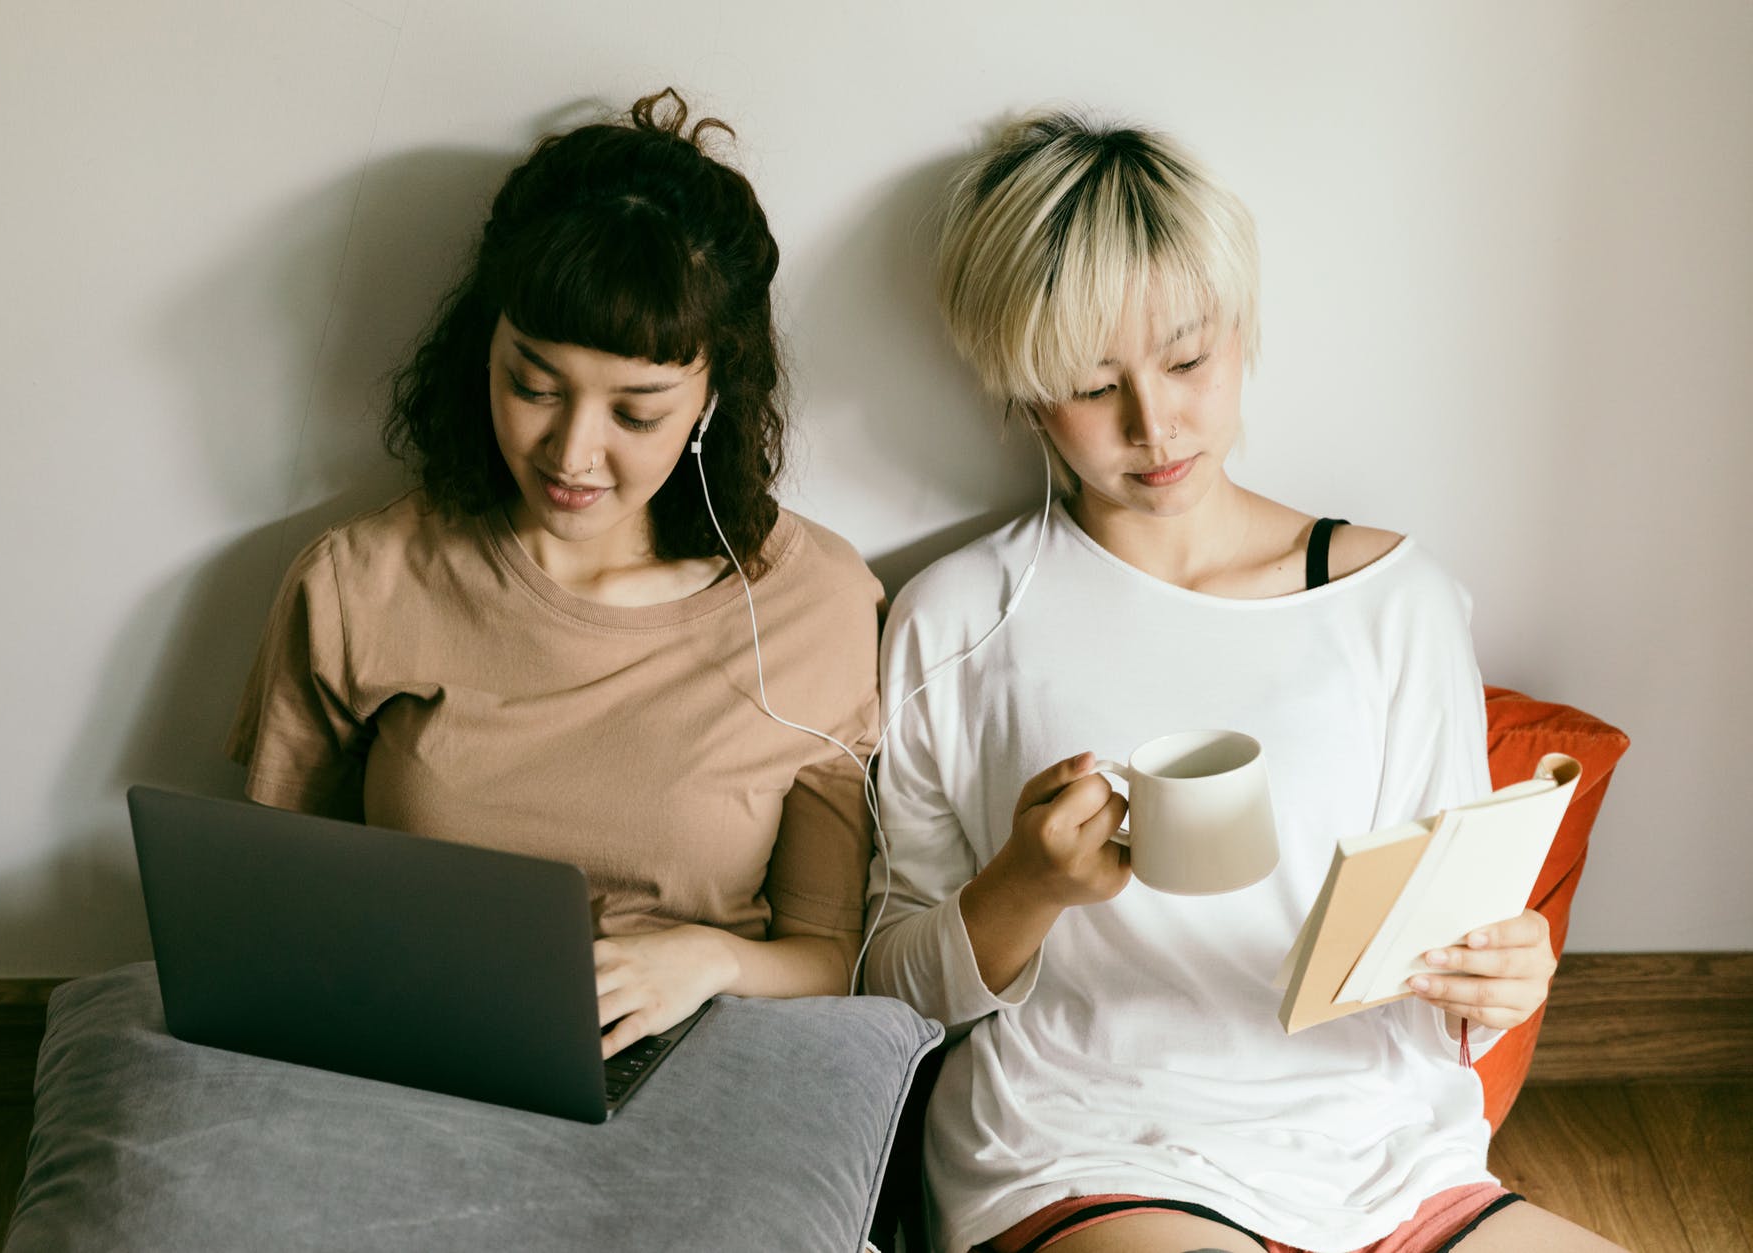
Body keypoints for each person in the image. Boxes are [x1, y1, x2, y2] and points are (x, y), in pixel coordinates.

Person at [862, 112, 1622, 1253]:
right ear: (1021, 391)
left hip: (1388, 1155)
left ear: (1238, 331)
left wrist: (1493, 978)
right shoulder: (959, 619)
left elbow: (1444, 965)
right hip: (1088, 1148)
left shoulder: (1393, 599)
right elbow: (885, 994)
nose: (1153, 422)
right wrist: (1025, 883)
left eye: (1185, 359)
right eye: (1088, 381)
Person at [227, 90, 880, 1060]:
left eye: (636, 412)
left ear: (712, 396)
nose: (571, 452)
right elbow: (268, 906)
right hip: (413, 1045)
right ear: (479, 349)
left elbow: (827, 956)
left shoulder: (811, 603)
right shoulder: (361, 582)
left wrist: (702, 960)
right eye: (532, 385)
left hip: (699, 1057)